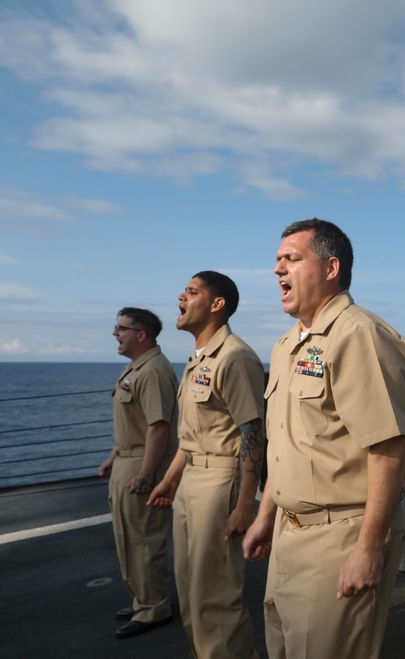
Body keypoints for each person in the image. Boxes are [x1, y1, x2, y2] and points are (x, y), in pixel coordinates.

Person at [243, 218, 405, 658]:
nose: (278, 270)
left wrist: (369, 548)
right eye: (277, 261)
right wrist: (266, 515)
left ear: (331, 267)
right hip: (288, 531)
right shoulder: (287, 345)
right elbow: (286, 445)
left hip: (339, 534)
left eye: (292, 259)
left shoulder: (358, 335)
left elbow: (388, 447)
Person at [148, 271, 266, 658]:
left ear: (217, 305)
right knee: (191, 591)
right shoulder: (198, 358)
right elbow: (190, 435)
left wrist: (246, 504)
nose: (180, 297)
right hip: (191, 480)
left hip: (219, 482)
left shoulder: (235, 357)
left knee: (216, 595)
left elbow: (253, 432)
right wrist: (168, 480)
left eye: (192, 292)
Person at [99, 307, 178, 639]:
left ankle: (154, 608)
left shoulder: (154, 371)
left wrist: (147, 475)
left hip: (144, 461)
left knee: (144, 540)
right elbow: (135, 423)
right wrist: (113, 456)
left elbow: (158, 427)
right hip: (127, 459)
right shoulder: (136, 369)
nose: (115, 333)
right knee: (126, 539)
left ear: (141, 334)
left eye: (121, 328)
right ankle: (141, 599)